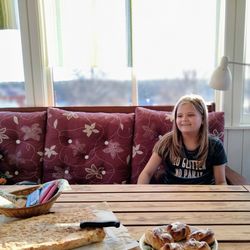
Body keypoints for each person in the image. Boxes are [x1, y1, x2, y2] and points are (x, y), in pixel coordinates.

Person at [137, 94, 227, 185]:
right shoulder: (166, 142)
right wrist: (141, 195)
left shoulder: (215, 145)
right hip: (172, 194)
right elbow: (146, 173)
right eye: (179, 116)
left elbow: (221, 182)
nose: (184, 119)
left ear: (203, 119)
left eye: (190, 115)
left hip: (203, 195)